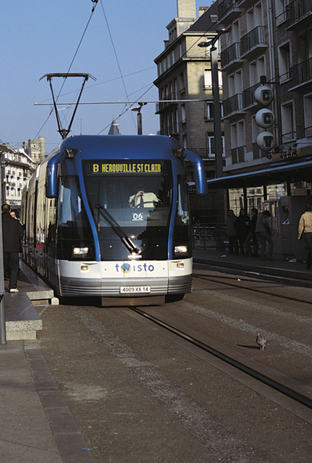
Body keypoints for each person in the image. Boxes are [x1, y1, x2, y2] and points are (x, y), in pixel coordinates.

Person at [2, 203, 24, 292]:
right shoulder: (16, 222)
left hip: (2, 249)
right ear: (10, 211)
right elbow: (20, 235)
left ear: (2, 211)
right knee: (14, 267)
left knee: (2, 267)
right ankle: (13, 287)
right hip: (14, 249)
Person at [298, 203, 312, 269]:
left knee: (310, 248)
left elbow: (300, 226)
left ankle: (308, 264)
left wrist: (299, 235)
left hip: (307, 233)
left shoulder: (304, 215)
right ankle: (308, 264)